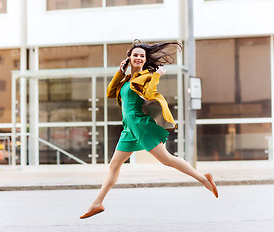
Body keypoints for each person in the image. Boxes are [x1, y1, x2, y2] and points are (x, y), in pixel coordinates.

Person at [80, 40, 218, 219]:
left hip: (140, 125)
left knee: (167, 159)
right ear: (129, 58)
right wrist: (120, 72)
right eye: (135, 55)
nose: (138, 58)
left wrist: (156, 77)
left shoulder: (146, 76)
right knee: (114, 165)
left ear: (145, 60)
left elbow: (149, 94)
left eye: (141, 56)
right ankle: (97, 203)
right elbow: (109, 92)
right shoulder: (126, 79)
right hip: (129, 129)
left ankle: (204, 180)